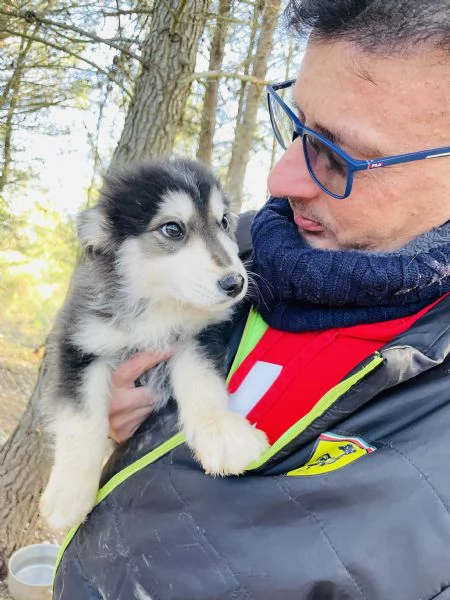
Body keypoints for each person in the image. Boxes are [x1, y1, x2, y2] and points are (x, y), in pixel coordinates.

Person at [54, 1, 450, 598]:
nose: (280, 180)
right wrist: (130, 422)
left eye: (339, 155)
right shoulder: (240, 250)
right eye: (297, 124)